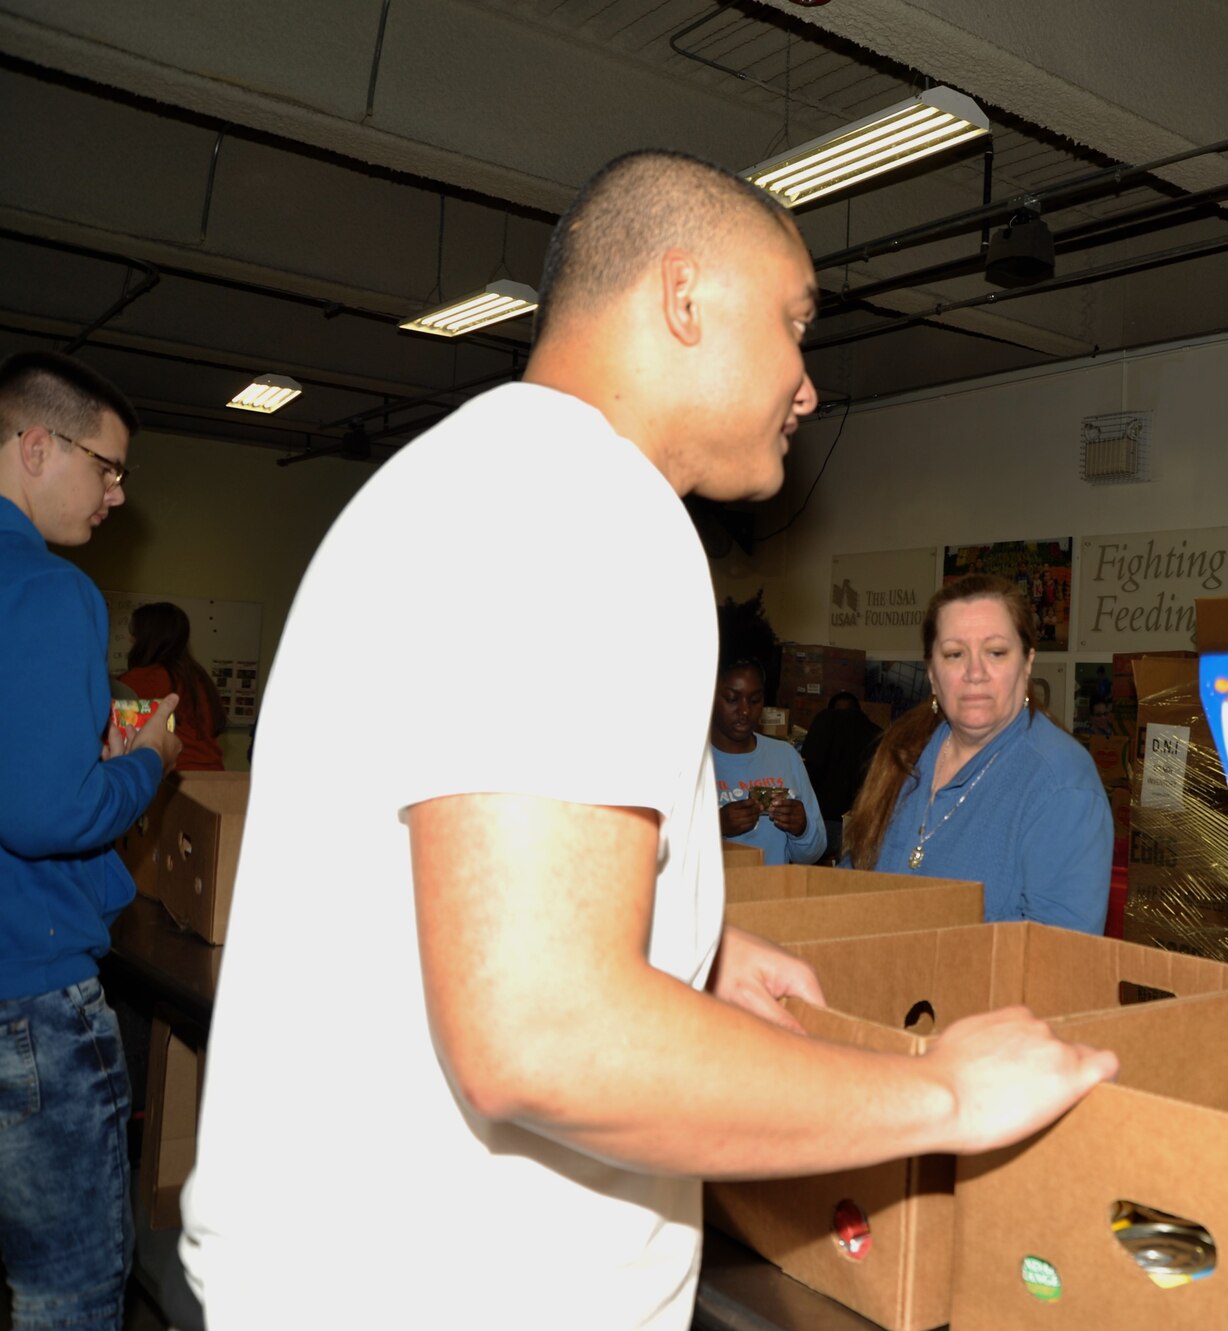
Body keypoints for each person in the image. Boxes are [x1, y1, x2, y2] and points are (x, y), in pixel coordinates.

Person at [177, 151, 1114, 1331]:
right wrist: (938, 1095)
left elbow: (475, 897)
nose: (808, 384)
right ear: (684, 299)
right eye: (792, 322)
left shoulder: (462, 479)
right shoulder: (585, 509)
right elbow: (544, 1032)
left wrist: (696, 944)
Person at [0, 351, 180, 1331]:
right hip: (30, 1002)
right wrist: (146, 757)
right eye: (107, 466)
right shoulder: (50, 588)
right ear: (36, 444)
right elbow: (47, 812)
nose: (115, 493)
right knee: (67, 1285)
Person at [843, 576, 1113, 933]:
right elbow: (848, 885)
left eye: (996, 652)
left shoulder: (1063, 784)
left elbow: (1057, 958)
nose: (974, 673)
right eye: (955, 654)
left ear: (1027, 662)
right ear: (932, 673)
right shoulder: (902, 753)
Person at [712, 659, 826, 865]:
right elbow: (653, 850)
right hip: (710, 895)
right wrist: (714, 826)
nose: (745, 711)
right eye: (732, 699)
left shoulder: (785, 757)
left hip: (772, 893)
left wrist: (802, 830)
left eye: (755, 700)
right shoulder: (688, 763)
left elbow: (813, 853)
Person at [118, 601, 225, 771]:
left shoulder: (143, 679)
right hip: (215, 776)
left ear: (146, 638)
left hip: (177, 778)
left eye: (135, 634)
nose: (131, 639)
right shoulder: (196, 675)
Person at [797, 691, 881, 864]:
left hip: (820, 821)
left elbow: (807, 771)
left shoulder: (823, 726)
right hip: (859, 825)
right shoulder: (876, 734)